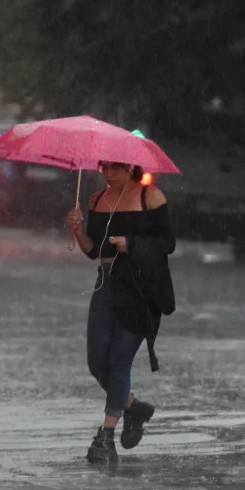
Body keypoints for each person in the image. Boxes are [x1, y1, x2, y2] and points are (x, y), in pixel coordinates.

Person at [66, 161, 176, 465]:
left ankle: (106, 435)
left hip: (141, 290)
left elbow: (168, 243)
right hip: (106, 285)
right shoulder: (96, 200)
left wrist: (132, 244)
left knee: (119, 361)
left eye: (116, 167)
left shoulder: (150, 197)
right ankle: (133, 406)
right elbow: (93, 251)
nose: (109, 173)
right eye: (105, 167)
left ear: (131, 167)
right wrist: (76, 229)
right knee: (96, 360)